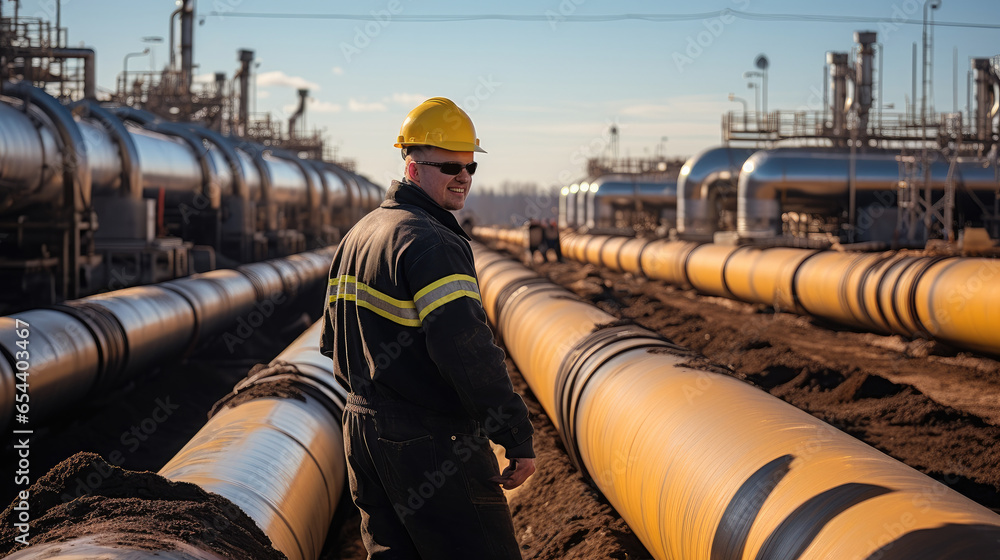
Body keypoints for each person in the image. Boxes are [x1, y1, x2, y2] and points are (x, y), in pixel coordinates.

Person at [320, 97, 536, 559]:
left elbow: (331, 343)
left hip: (363, 435)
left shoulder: (359, 235)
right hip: (430, 440)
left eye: (470, 167)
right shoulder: (431, 241)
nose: (463, 177)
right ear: (413, 166)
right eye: (449, 166)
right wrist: (514, 432)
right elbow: (467, 350)